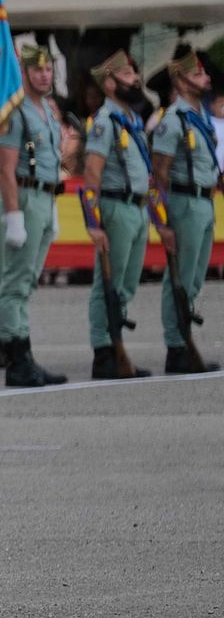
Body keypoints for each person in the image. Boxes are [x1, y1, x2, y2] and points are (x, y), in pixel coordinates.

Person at [0, 46, 68, 387]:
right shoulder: (14, 112)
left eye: (48, 69)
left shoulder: (49, 111)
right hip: (24, 196)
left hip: (45, 195)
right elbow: (6, 170)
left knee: (28, 279)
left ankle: (24, 351)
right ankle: (14, 354)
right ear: (23, 72)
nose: (44, 75)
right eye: (36, 70)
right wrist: (13, 216)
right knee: (15, 280)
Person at [80, 51, 153, 379]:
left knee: (124, 283)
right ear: (109, 84)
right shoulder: (105, 122)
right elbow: (92, 174)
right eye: (126, 75)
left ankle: (117, 344)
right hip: (115, 206)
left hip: (137, 208)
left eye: (134, 74)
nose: (135, 79)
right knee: (106, 283)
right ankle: (104, 351)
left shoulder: (132, 119)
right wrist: (93, 223)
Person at [149, 52, 220, 373]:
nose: (205, 79)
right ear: (181, 81)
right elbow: (160, 170)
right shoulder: (173, 119)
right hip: (184, 202)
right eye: (198, 74)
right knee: (179, 276)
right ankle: (177, 346)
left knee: (193, 277)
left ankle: (184, 339)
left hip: (205, 200)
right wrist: (164, 218)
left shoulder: (200, 116)